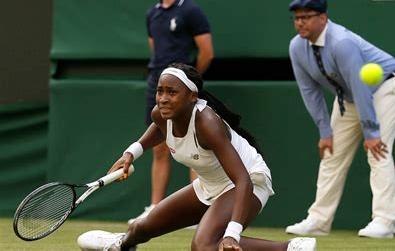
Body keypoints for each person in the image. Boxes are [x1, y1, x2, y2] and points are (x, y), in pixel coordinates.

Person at [77, 63, 317, 251]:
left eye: (172, 92)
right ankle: (120, 246)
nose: (163, 98)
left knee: (203, 246)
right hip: (209, 185)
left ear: (192, 96)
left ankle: (291, 248)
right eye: (160, 91)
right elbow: (156, 131)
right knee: (141, 227)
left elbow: (242, 179)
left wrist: (232, 234)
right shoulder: (162, 113)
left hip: (248, 183)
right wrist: (130, 154)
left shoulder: (207, 123)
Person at [285, 0, 395, 239]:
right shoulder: (296, 47)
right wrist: (324, 132)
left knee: (378, 151)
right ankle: (318, 221)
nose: (300, 23)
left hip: (386, 86)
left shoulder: (342, 42)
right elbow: (309, 91)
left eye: (306, 18)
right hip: (350, 97)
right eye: (297, 18)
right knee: (331, 154)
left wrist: (371, 132)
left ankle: (384, 222)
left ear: (323, 18)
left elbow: (360, 85)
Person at [129, 0, 214, 225]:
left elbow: (207, 52)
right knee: (159, 148)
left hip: (183, 88)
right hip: (156, 82)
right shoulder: (152, 14)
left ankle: (200, 211)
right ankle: (154, 208)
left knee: (195, 147)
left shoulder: (191, 11)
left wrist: (189, 84)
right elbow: (153, 46)